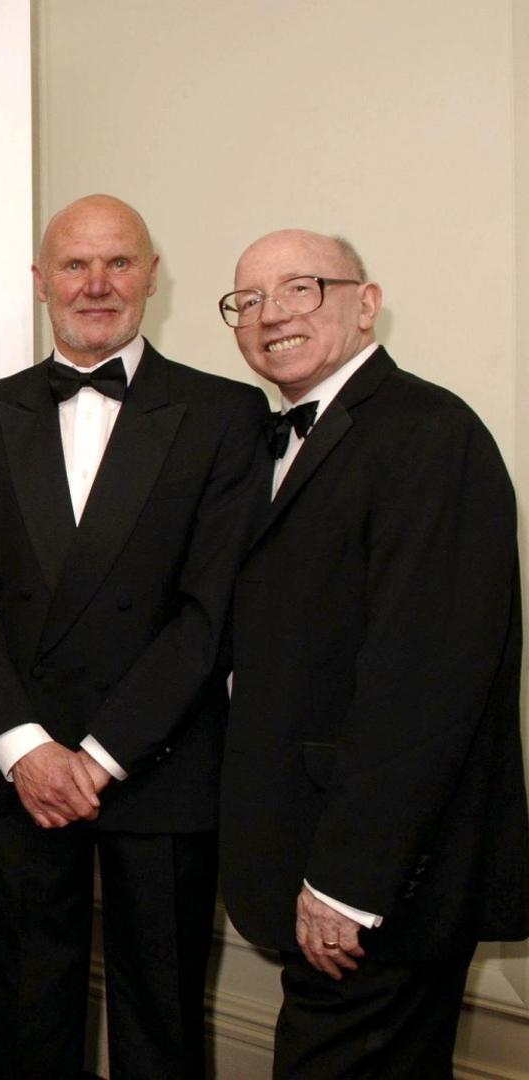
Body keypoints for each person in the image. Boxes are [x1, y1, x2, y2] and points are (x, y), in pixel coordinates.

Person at [0, 194, 266, 1078]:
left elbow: (211, 614)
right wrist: (27, 750)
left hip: (159, 765)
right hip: (21, 767)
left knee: (159, 1023)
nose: (97, 284)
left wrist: (96, 756)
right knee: (27, 1017)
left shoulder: (225, 415)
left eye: (120, 263)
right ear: (40, 283)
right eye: (74, 264)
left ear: (153, 277)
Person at [219, 229, 529, 1078]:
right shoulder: (265, 442)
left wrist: (350, 885)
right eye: (248, 300)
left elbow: (427, 684)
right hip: (312, 861)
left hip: (379, 886)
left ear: (366, 302)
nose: (271, 314)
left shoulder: (431, 434)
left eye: (300, 288)